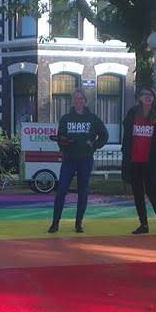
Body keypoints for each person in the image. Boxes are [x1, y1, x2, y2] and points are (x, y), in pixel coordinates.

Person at [48, 89, 109, 233]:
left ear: (85, 101)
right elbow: (60, 137)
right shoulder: (65, 118)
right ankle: (55, 223)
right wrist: (64, 145)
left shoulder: (92, 118)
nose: (78, 101)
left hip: (85, 160)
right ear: (73, 101)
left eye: (81, 98)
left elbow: (104, 135)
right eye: (76, 98)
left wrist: (94, 146)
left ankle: (78, 223)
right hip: (69, 160)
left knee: (83, 191)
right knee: (62, 190)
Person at [121, 87, 156, 237]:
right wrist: (125, 157)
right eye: (145, 95)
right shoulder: (132, 113)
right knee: (138, 194)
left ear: (154, 98)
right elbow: (127, 137)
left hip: (151, 163)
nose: (148, 97)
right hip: (135, 161)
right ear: (140, 98)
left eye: (151, 95)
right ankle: (143, 224)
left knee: (152, 193)